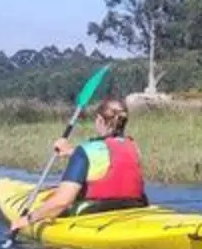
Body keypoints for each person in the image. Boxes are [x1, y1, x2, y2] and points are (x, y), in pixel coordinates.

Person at [8, 97, 149, 234]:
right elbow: (108, 156)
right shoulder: (134, 148)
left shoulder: (85, 151)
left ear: (99, 120)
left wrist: (28, 219)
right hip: (134, 210)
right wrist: (71, 152)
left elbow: (62, 202)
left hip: (93, 213)